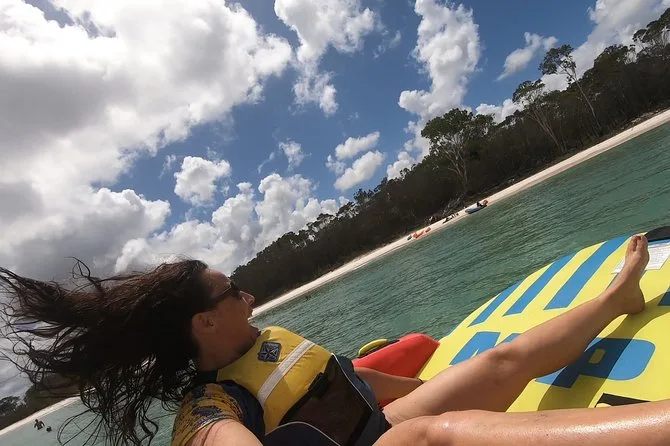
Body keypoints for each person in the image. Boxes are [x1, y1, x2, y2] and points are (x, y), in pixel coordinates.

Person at [1, 235, 668, 445]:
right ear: (204, 322)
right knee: (428, 435)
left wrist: (434, 384)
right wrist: (435, 411)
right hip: (391, 441)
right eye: (233, 291)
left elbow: (347, 381)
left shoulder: (267, 342)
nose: (249, 296)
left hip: (376, 428)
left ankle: (617, 298)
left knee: (498, 361)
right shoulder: (208, 412)